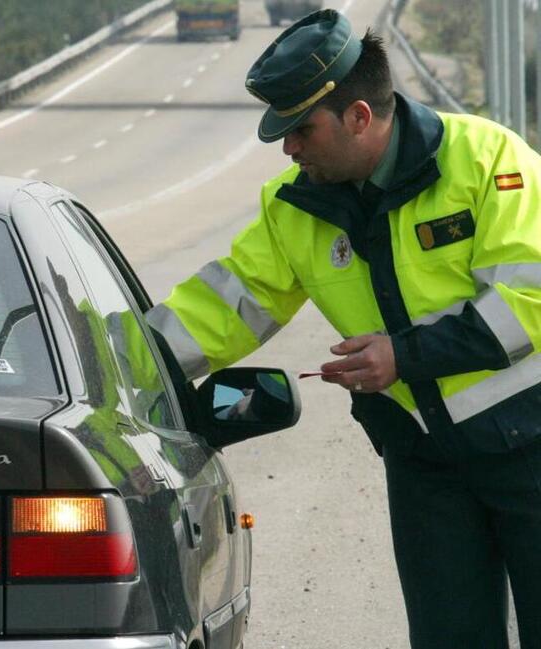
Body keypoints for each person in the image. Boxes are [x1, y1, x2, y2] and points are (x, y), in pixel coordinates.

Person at [133, 9, 541, 649]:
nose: (287, 147)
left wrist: (402, 358)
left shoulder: (489, 159)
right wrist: (114, 365)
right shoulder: (296, 205)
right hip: (426, 464)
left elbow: (529, 303)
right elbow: (230, 303)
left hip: (532, 445)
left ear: (358, 116)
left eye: (300, 129)